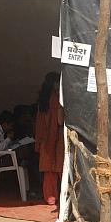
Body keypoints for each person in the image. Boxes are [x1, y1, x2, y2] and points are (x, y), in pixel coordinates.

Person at [35, 72, 64, 205]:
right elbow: (59, 120)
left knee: (48, 173)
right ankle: (63, 198)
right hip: (57, 139)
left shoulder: (42, 98)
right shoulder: (57, 98)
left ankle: (50, 198)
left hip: (45, 140)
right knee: (60, 170)